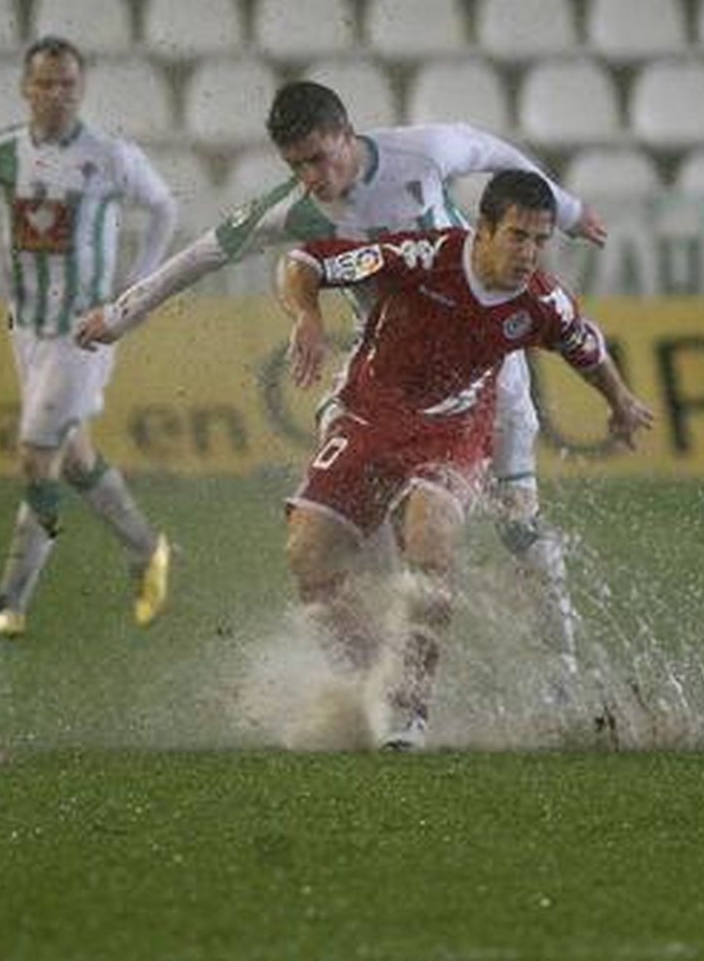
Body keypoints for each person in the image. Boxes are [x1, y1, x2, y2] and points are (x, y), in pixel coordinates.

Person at [76, 81, 607, 695]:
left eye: (319, 158)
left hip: (490, 365)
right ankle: (380, 677)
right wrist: (120, 316)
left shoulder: (422, 153)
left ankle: (568, 678)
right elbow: (202, 254)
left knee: (519, 523)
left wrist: (566, 210)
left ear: (347, 135)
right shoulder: (297, 209)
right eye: (295, 165)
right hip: (392, 377)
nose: (310, 176)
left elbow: (490, 150)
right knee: (351, 530)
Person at [277, 169, 654, 749]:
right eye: (517, 236)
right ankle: (366, 676)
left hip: (454, 430)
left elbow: (585, 346)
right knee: (307, 556)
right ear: (482, 229)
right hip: (369, 416)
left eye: (539, 240)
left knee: (431, 537)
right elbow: (307, 262)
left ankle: (408, 709)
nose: (528, 253)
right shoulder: (423, 257)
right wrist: (307, 314)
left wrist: (622, 401)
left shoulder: (541, 302)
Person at [0, 36, 178, 637]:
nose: (57, 94)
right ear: (26, 88)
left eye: (68, 84)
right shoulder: (0, 153)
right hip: (25, 326)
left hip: (84, 329)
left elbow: (163, 208)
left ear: (82, 89)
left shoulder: (109, 155)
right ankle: (147, 551)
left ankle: (11, 602)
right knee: (74, 457)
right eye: (46, 84)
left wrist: (138, 286)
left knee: (35, 456)